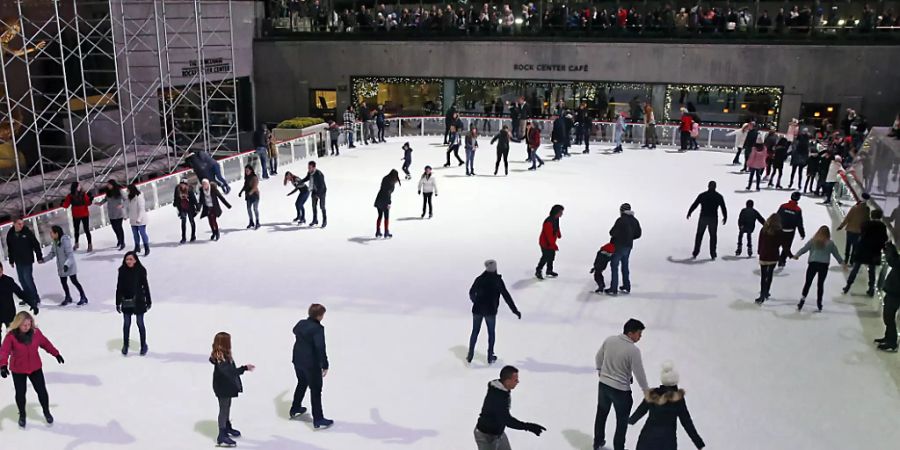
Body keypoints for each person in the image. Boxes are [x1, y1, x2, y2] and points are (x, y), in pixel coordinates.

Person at [0, 311, 63, 428]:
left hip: (35, 367)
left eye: (29, 324)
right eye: (24, 325)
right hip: (18, 369)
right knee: (20, 393)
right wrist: (3, 365)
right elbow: (4, 351)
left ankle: (46, 412)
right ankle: (22, 415)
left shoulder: (35, 333)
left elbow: (45, 343)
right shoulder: (11, 336)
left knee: (42, 391)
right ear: (18, 324)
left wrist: (56, 354)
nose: (27, 327)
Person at [594, 318, 650, 450]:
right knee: (621, 422)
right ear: (630, 333)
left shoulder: (610, 340)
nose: (640, 337)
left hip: (603, 386)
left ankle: (598, 442)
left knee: (601, 414)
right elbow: (639, 372)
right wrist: (646, 390)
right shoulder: (633, 350)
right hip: (621, 391)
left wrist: (600, 371)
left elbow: (598, 357)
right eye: (639, 333)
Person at [628, 362, 706, 450]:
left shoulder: (652, 395)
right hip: (667, 441)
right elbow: (686, 422)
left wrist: (629, 421)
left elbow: (640, 411)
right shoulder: (678, 400)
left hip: (648, 437)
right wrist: (698, 442)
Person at [474, 365, 546, 450]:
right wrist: (528, 427)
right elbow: (507, 420)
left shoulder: (502, 390)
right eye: (515, 380)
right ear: (507, 381)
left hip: (498, 433)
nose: (518, 382)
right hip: (486, 436)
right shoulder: (497, 397)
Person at [468, 260, 521, 365]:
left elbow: (471, 293)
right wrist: (514, 310)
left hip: (477, 310)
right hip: (490, 311)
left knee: (475, 332)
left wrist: (476, 302)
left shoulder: (479, 279)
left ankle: (470, 355)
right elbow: (506, 296)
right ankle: (490, 356)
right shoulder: (497, 281)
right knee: (491, 333)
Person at [290, 303, 333, 428]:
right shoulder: (318, 329)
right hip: (311, 364)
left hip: (298, 360)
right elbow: (320, 347)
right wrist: (325, 364)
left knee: (302, 383)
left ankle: (295, 407)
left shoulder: (301, 323)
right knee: (315, 390)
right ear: (319, 316)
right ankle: (318, 419)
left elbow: (294, 330)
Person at [209, 332, 254, 447]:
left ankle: (227, 426)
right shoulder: (220, 356)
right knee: (223, 408)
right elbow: (229, 372)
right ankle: (222, 434)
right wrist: (244, 368)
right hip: (222, 387)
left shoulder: (225, 354)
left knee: (227, 406)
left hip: (226, 385)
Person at [793, 226, 846, 312]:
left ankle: (802, 301)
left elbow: (804, 249)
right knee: (820, 284)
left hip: (813, 264)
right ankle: (819, 303)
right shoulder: (830, 243)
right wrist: (843, 264)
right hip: (824, 265)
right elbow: (837, 255)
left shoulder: (813, 241)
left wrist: (797, 255)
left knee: (808, 283)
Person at [843, 209, 889, 297]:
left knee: (855, 269)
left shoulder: (866, 224)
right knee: (872, 272)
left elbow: (862, 235)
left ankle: (848, 286)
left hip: (863, 250)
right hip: (874, 252)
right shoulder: (882, 226)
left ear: (872, 216)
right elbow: (884, 238)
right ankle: (871, 289)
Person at [41, 225, 88, 306]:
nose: (50, 235)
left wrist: (67, 265)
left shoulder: (65, 241)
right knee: (63, 282)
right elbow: (52, 254)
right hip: (61, 267)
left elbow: (70, 255)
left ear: (56, 233)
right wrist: (43, 260)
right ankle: (68, 296)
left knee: (74, 281)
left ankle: (83, 296)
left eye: (51, 233)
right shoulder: (55, 242)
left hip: (69, 266)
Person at [116, 251, 151, 355]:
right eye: (127, 259)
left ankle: (143, 345)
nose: (129, 261)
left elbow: (145, 286)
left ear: (135, 260)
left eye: (131, 259)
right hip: (126, 300)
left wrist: (148, 300)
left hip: (139, 300)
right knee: (126, 324)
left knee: (140, 323)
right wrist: (118, 302)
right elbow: (119, 287)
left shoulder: (141, 270)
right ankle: (125, 345)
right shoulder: (122, 271)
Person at [5, 218, 43, 306]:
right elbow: (10, 248)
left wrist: (39, 256)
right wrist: (11, 260)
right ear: (14, 223)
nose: (21, 225)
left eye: (22, 223)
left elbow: (35, 244)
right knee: (22, 280)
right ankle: (28, 297)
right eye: (19, 224)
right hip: (18, 261)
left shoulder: (27, 232)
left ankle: (35, 297)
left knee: (28, 279)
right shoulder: (10, 234)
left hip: (27, 260)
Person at [687, 181, 728, 260]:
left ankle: (696, 252)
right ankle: (713, 253)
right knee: (713, 236)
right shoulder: (718, 196)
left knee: (699, 235)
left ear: (708, 186)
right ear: (715, 187)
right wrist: (725, 216)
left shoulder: (703, 195)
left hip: (703, 217)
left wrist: (690, 212)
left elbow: (695, 204)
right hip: (713, 218)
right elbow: (723, 207)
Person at [607, 203, 642, 295]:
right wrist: (630, 238)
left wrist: (620, 237)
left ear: (621, 211)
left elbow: (612, 232)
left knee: (614, 266)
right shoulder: (635, 221)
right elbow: (638, 234)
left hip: (618, 246)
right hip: (628, 246)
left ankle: (613, 288)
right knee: (625, 266)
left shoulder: (620, 220)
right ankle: (626, 286)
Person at [876, 242, 900, 352]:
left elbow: (893, 261)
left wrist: (890, 250)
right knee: (887, 316)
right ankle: (888, 337)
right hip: (892, 291)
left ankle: (892, 342)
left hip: (895, 293)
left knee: (889, 317)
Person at [837, 193, 871, 261]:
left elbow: (848, 218)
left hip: (850, 229)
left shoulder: (854, 208)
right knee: (855, 246)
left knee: (848, 245)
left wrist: (841, 226)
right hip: (859, 231)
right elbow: (867, 221)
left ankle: (846, 259)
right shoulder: (867, 210)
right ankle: (852, 260)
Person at [756, 214, 782, 304]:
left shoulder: (763, 230)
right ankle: (767, 292)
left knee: (763, 276)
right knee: (770, 274)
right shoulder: (779, 232)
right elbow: (780, 244)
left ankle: (762, 295)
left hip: (764, 254)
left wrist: (759, 251)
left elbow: (760, 241)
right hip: (773, 256)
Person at [1, 263, 33, 332]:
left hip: (9, 313)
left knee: (12, 336)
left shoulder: (8, 281)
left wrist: (31, 302)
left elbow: (19, 292)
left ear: (2, 270)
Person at [777, 192, 806, 266]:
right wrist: (802, 233)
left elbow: (776, 217)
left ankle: (774, 257)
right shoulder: (798, 210)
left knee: (776, 244)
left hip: (780, 229)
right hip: (790, 231)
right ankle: (782, 260)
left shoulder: (783, 206)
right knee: (787, 246)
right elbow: (799, 223)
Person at [62, 182, 93, 252]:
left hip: (84, 214)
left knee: (86, 230)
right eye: (79, 186)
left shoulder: (83, 194)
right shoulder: (70, 196)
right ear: (75, 187)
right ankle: (76, 243)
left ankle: (90, 244)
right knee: (76, 230)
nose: (80, 187)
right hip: (76, 215)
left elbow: (88, 203)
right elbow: (66, 205)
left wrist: (90, 200)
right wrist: (62, 204)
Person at [97, 179, 127, 250]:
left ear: (113, 185)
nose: (108, 186)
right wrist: (100, 203)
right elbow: (105, 199)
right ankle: (119, 239)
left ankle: (122, 242)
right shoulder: (108, 192)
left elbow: (126, 199)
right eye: (107, 185)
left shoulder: (120, 191)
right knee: (114, 228)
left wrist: (122, 205)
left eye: (109, 185)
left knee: (119, 227)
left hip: (119, 213)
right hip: (111, 213)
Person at [535, 205, 564, 280]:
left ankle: (549, 270)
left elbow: (557, 227)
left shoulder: (556, 218)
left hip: (551, 243)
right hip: (545, 243)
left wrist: (559, 234)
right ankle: (538, 270)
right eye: (561, 212)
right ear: (556, 212)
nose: (562, 214)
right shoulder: (548, 222)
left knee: (551, 256)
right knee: (545, 257)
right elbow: (549, 236)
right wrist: (554, 245)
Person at [374, 169, 401, 238]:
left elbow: (384, 189)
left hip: (379, 198)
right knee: (386, 217)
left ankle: (378, 231)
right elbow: (388, 193)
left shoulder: (385, 178)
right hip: (385, 200)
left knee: (380, 215)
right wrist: (389, 203)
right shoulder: (391, 183)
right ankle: (386, 232)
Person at [300, 161, 327, 228]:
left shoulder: (319, 174)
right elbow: (307, 178)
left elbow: (322, 186)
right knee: (313, 206)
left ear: (314, 167)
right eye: (308, 167)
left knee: (322, 206)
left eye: (310, 167)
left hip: (322, 192)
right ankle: (315, 220)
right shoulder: (310, 172)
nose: (308, 169)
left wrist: (318, 194)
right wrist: (301, 181)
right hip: (314, 190)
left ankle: (324, 220)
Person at [126, 184, 150, 256]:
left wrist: (139, 218)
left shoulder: (139, 197)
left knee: (142, 233)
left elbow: (141, 208)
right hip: (133, 219)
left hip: (141, 219)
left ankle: (146, 248)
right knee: (135, 234)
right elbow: (126, 204)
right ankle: (137, 247)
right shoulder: (129, 197)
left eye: (128, 190)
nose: (127, 191)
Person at [173, 180, 199, 244]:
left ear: (186, 185)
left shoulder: (189, 190)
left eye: (184, 184)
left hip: (190, 208)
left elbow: (194, 199)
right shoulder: (178, 190)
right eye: (181, 184)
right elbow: (175, 198)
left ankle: (193, 235)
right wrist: (175, 203)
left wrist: (197, 207)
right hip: (182, 208)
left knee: (191, 221)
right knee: (183, 223)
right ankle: (183, 237)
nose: (182, 185)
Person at [238, 165, 261, 230]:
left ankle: (257, 222)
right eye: (245, 171)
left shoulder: (254, 177)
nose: (246, 172)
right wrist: (241, 192)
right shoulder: (247, 177)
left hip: (255, 195)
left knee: (255, 208)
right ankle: (251, 221)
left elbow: (255, 187)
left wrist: (250, 193)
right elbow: (245, 186)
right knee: (248, 209)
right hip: (248, 196)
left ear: (251, 170)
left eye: (247, 170)